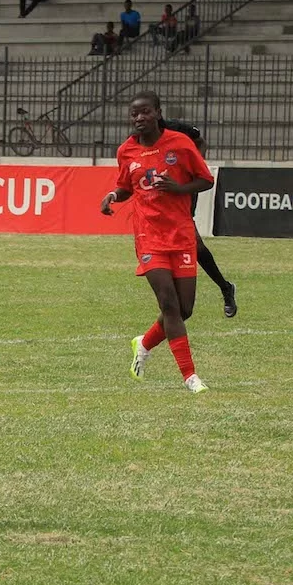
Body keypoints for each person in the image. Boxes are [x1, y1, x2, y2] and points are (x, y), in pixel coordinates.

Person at [99, 91, 214, 394]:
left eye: (145, 112)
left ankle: (144, 343)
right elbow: (125, 187)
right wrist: (113, 195)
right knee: (168, 303)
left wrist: (179, 188)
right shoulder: (126, 151)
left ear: (158, 113)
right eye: (134, 114)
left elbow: (206, 180)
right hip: (149, 237)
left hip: (180, 234)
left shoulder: (180, 144)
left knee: (184, 308)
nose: (139, 118)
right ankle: (190, 377)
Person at [156, 115, 238, 316]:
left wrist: (194, 166)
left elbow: (201, 142)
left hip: (183, 190)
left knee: (195, 245)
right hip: (159, 196)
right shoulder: (141, 139)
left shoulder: (176, 129)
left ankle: (225, 288)